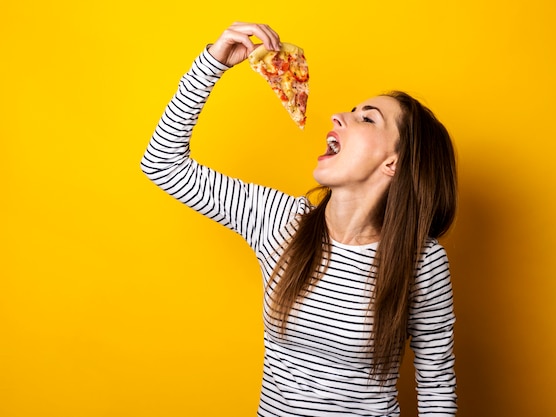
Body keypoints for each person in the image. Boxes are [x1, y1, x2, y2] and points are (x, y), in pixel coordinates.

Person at [141, 22, 457, 417]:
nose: (339, 116)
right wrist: (213, 62)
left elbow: (436, 386)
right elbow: (162, 164)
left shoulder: (421, 261)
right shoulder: (279, 221)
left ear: (394, 162)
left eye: (367, 119)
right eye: (352, 110)